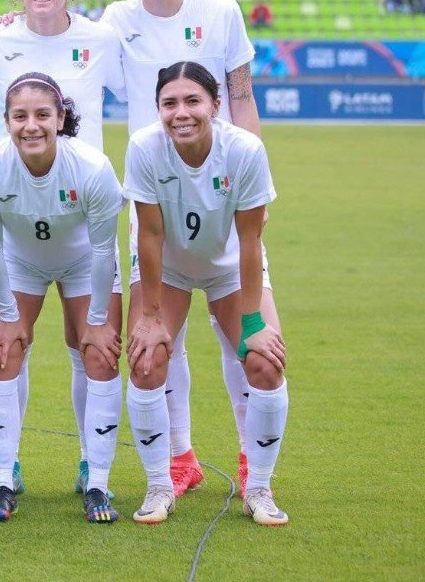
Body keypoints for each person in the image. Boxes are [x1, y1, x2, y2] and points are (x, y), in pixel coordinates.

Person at [101, 0, 268, 498]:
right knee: (156, 344)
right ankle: (180, 458)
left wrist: (252, 175)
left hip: (221, 191)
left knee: (241, 337)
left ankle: (253, 461)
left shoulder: (220, 12)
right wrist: (22, 16)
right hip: (152, 195)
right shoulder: (115, 20)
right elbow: (61, 49)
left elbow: (242, 96)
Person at [0, 0, 126, 497]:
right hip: (16, 217)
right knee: (4, 343)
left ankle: (94, 469)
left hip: (85, 220)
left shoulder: (101, 38)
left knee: (97, 346)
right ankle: (5, 472)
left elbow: (141, 89)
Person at [122, 61, 289, 526]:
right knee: (147, 357)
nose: (181, 113)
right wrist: (152, 315)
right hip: (168, 268)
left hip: (231, 268)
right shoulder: (144, 148)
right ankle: (159, 485)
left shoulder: (244, 151)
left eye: (193, 100)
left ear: (216, 105)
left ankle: (259, 487)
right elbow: (149, 236)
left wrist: (254, 325)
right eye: (169, 103)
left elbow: (251, 241)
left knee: (264, 363)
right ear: (158, 109)